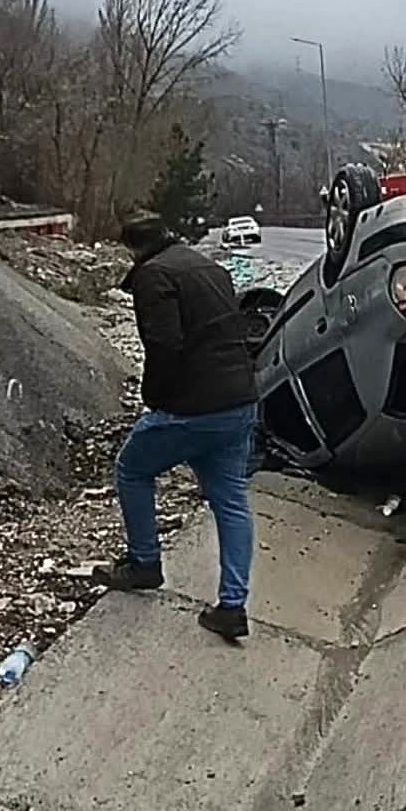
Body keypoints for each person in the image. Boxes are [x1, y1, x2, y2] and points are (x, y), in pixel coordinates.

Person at [93, 212, 259, 641]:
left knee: (132, 468)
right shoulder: (210, 267)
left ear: (134, 249)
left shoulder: (154, 276)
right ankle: (232, 607)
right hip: (240, 401)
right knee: (231, 501)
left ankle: (144, 563)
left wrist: (155, 398)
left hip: (194, 407)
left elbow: (164, 344)